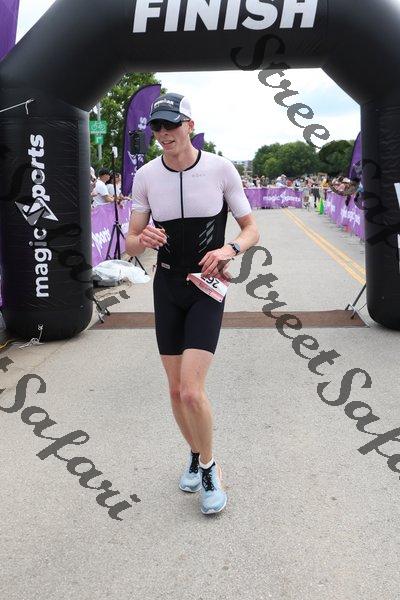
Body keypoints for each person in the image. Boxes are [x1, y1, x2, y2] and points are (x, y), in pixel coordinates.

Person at [126, 93, 260, 516]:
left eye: (171, 125)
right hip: (166, 285)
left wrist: (229, 249)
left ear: (189, 125)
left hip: (206, 285)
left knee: (190, 389)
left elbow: (251, 228)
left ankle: (208, 467)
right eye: (157, 127)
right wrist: (142, 239)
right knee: (173, 390)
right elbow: (131, 242)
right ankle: (194, 451)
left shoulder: (220, 169)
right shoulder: (146, 175)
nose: (163, 134)